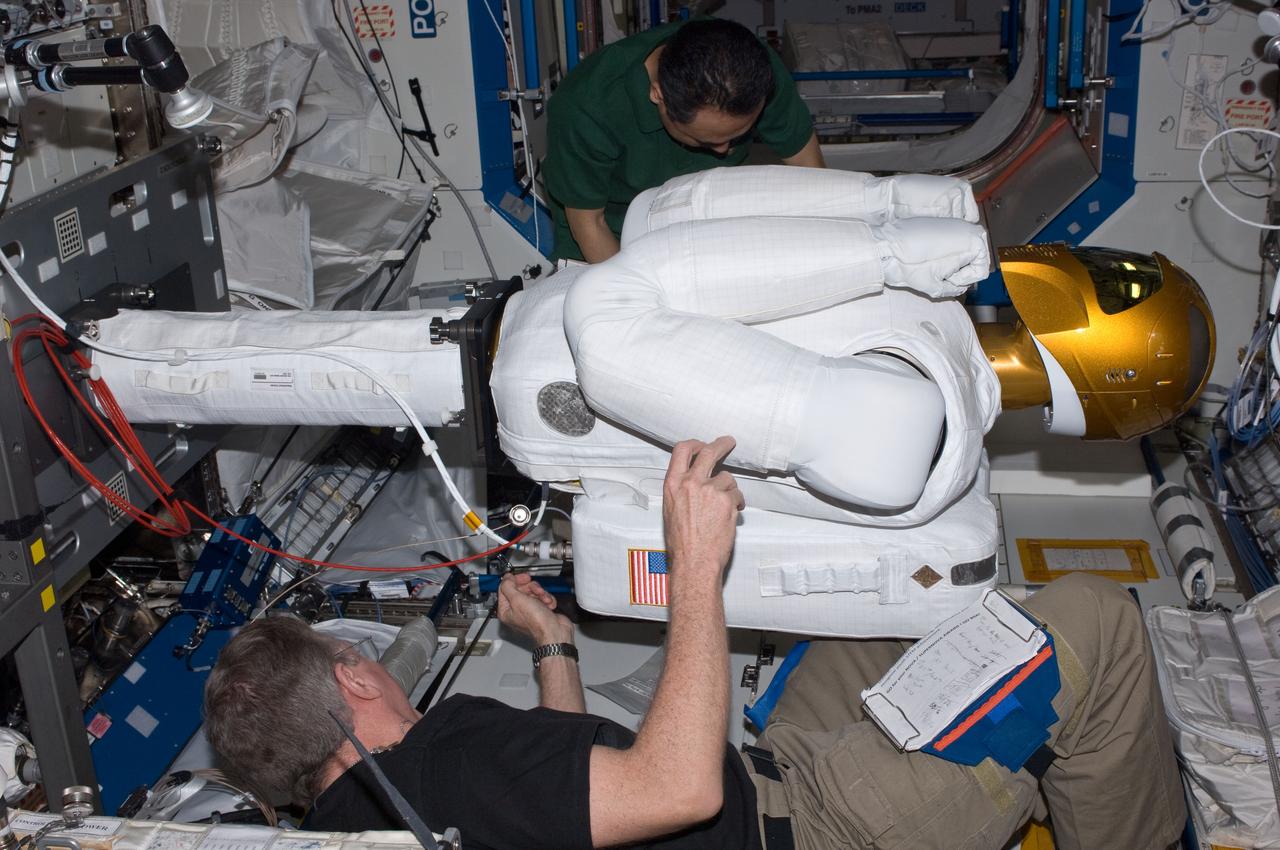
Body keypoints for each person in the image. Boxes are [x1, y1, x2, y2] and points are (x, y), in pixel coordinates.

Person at [203, 437, 1186, 850]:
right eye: (357, 653)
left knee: (897, 614)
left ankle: (1002, 740)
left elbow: (562, 799)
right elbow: (678, 791)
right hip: (814, 827)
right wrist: (694, 567)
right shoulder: (441, 762)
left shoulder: (381, 819)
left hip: (773, 778)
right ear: (353, 680)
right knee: (1096, 620)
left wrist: (554, 648)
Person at [543, 19, 825, 263]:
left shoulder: (753, 71)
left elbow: (806, 164)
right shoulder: (587, 106)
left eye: (737, 136)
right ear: (658, 96)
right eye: (707, 142)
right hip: (613, 232)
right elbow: (590, 224)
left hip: (711, 218)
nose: (724, 150)